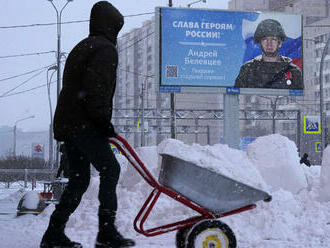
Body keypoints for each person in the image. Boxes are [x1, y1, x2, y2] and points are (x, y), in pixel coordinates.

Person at [40, 2, 135, 248]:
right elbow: (97, 89)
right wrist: (103, 123)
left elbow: (77, 88)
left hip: (70, 125)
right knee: (111, 170)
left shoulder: (81, 47)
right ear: (111, 26)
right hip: (85, 124)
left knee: (79, 181)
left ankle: (53, 233)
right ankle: (106, 232)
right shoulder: (105, 49)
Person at [234, 19, 303, 89]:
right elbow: (238, 95)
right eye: (265, 39)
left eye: (273, 39)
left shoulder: (293, 71)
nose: (269, 44)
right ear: (259, 42)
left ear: (280, 43)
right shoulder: (247, 70)